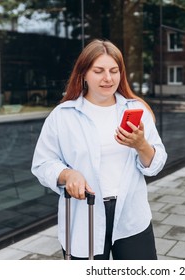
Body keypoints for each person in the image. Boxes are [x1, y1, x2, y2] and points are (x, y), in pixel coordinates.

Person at [31, 39, 167, 260]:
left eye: (114, 71)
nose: (108, 78)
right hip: (86, 213)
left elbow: (157, 163)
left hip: (131, 214)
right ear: (83, 73)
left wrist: (141, 145)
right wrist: (68, 174)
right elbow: (42, 164)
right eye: (99, 71)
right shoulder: (63, 115)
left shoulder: (136, 109)